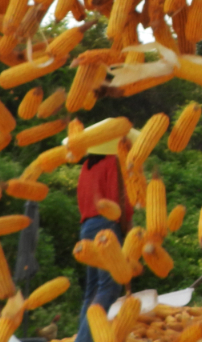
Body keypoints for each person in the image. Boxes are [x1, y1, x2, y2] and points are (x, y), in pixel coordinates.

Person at [74, 123, 138, 342]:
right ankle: (84, 340)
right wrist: (128, 224)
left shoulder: (86, 166)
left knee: (92, 290)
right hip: (106, 227)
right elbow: (120, 199)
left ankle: (83, 337)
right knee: (109, 288)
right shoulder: (114, 162)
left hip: (86, 226)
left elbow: (82, 199)